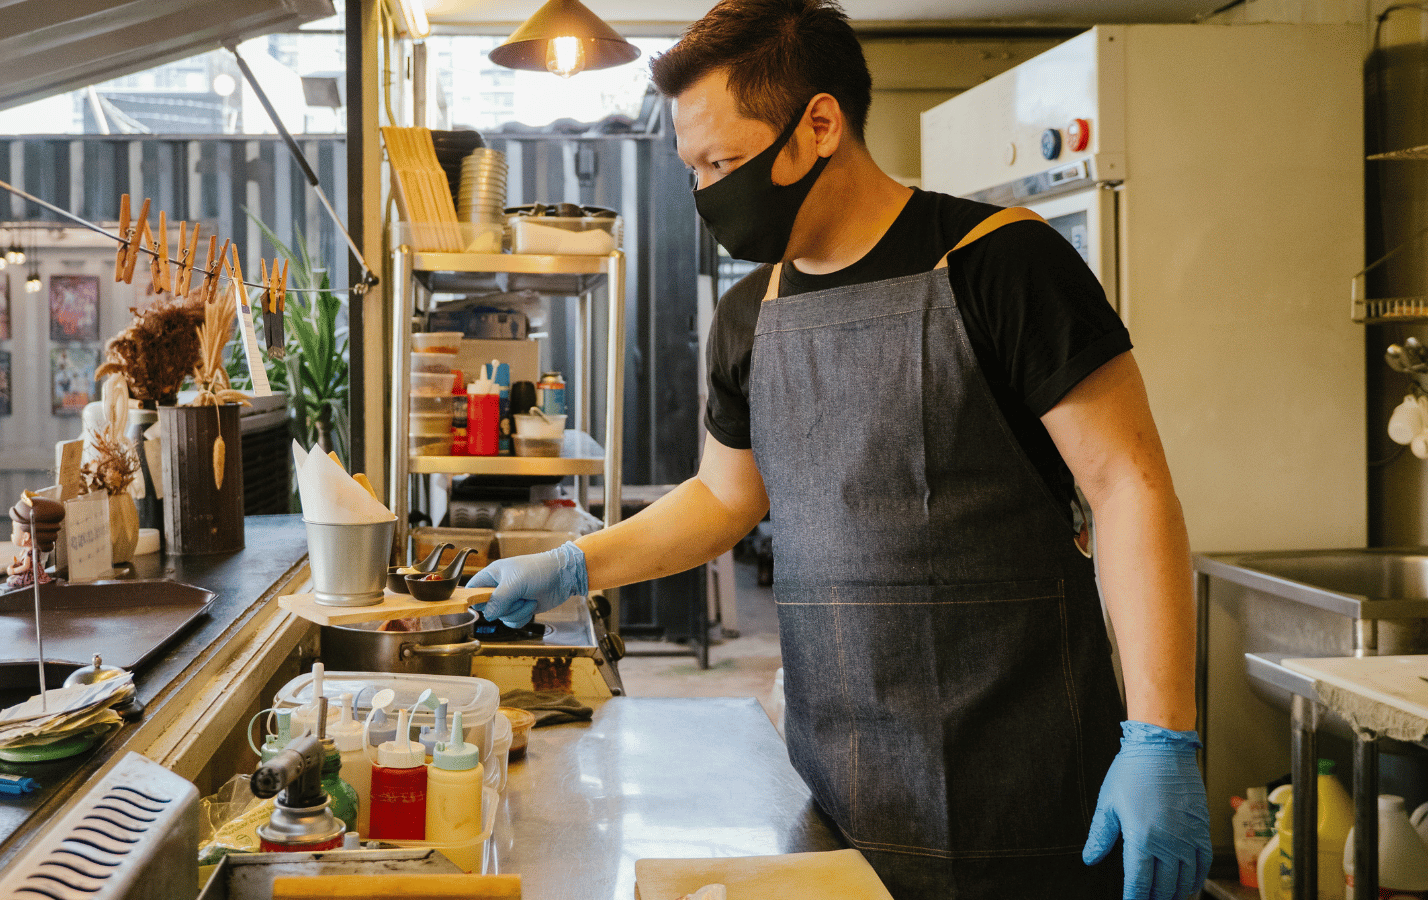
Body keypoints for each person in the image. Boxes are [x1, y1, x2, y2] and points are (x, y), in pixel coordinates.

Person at [469, 1, 1211, 896]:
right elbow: (723, 500)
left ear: (818, 124)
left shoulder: (1004, 263)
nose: (708, 192)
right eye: (693, 170)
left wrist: (1161, 735)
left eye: (725, 162)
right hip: (841, 790)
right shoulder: (750, 316)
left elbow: (1128, 487)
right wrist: (572, 564)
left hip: (1038, 796)